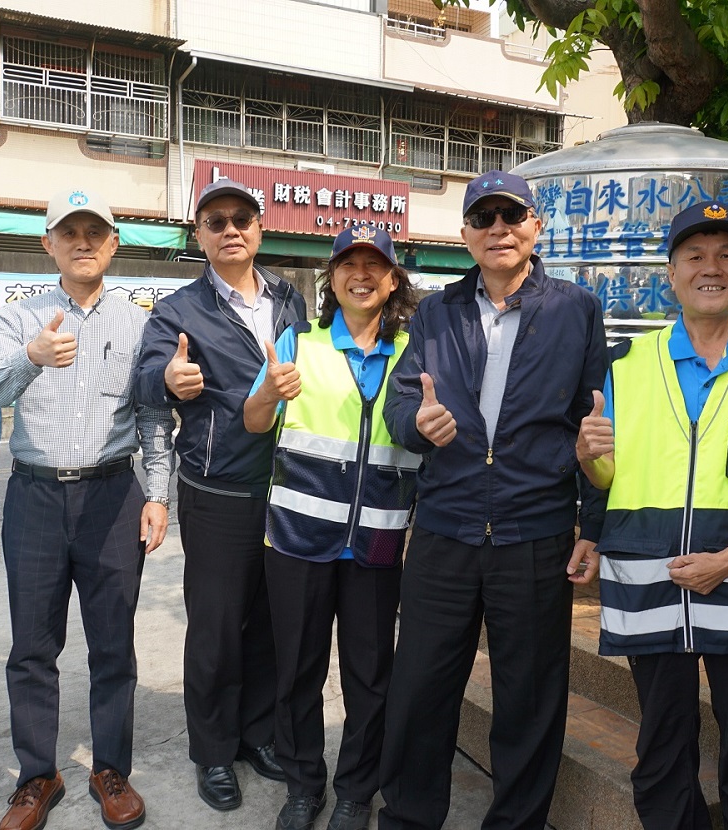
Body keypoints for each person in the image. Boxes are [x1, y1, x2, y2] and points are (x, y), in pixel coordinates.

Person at [378, 170, 608, 830]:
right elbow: (400, 402)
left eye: (513, 215)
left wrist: (592, 522)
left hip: (533, 533)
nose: (499, 228)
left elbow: (594, 420)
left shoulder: (574, 309)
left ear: (537, 227)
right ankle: (409, 817)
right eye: (484, 218)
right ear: (465, 236)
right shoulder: (437, 311)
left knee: (529, 699)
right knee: (421, 689)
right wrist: (415, 425)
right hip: (445, 529)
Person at [577, 201, 728, 830]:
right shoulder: (625, 363)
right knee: (661, 740)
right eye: (696, 256)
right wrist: (587, 455)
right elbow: (606, 473)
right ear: (673, 274)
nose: (712, 267)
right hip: (650, 581)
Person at [0, 189, 173, 830]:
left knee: (113, 643)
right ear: (49, 244)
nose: (83, 241)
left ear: (114, 244)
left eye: (96, 231)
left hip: (114, 495)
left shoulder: (139, 323)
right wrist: (30, 360)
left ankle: (110, 768)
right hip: (34, 494)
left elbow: (151, 413)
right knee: (32, 645)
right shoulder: (18, 317)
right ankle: (38, 776)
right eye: (70, 231)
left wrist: (158, 494)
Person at [133, 179, 306, 812]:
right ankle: (212, 750)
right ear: (198, 236)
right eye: (216, 221)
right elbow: (148, 379)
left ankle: (257, 735)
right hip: (217, 489)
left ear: (259, 228)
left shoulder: (290, 299)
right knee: (215, 628)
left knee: (267, 620)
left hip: (285, 486)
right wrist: (169, 377)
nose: (230, 229)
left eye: (242, 218)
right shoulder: (179, 309)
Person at [243, 226, 421, 830]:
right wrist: (268, 392)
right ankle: (302, 785)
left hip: (378, 541)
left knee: (370, 677)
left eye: (375, 265)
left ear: (393, 280)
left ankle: (354, 791)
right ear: (332, 277)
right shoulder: (298, 341)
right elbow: (252, 419)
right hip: (297, 539)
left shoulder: (413, 351)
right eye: (349, 264)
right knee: (297, 671)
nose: (361, 275)